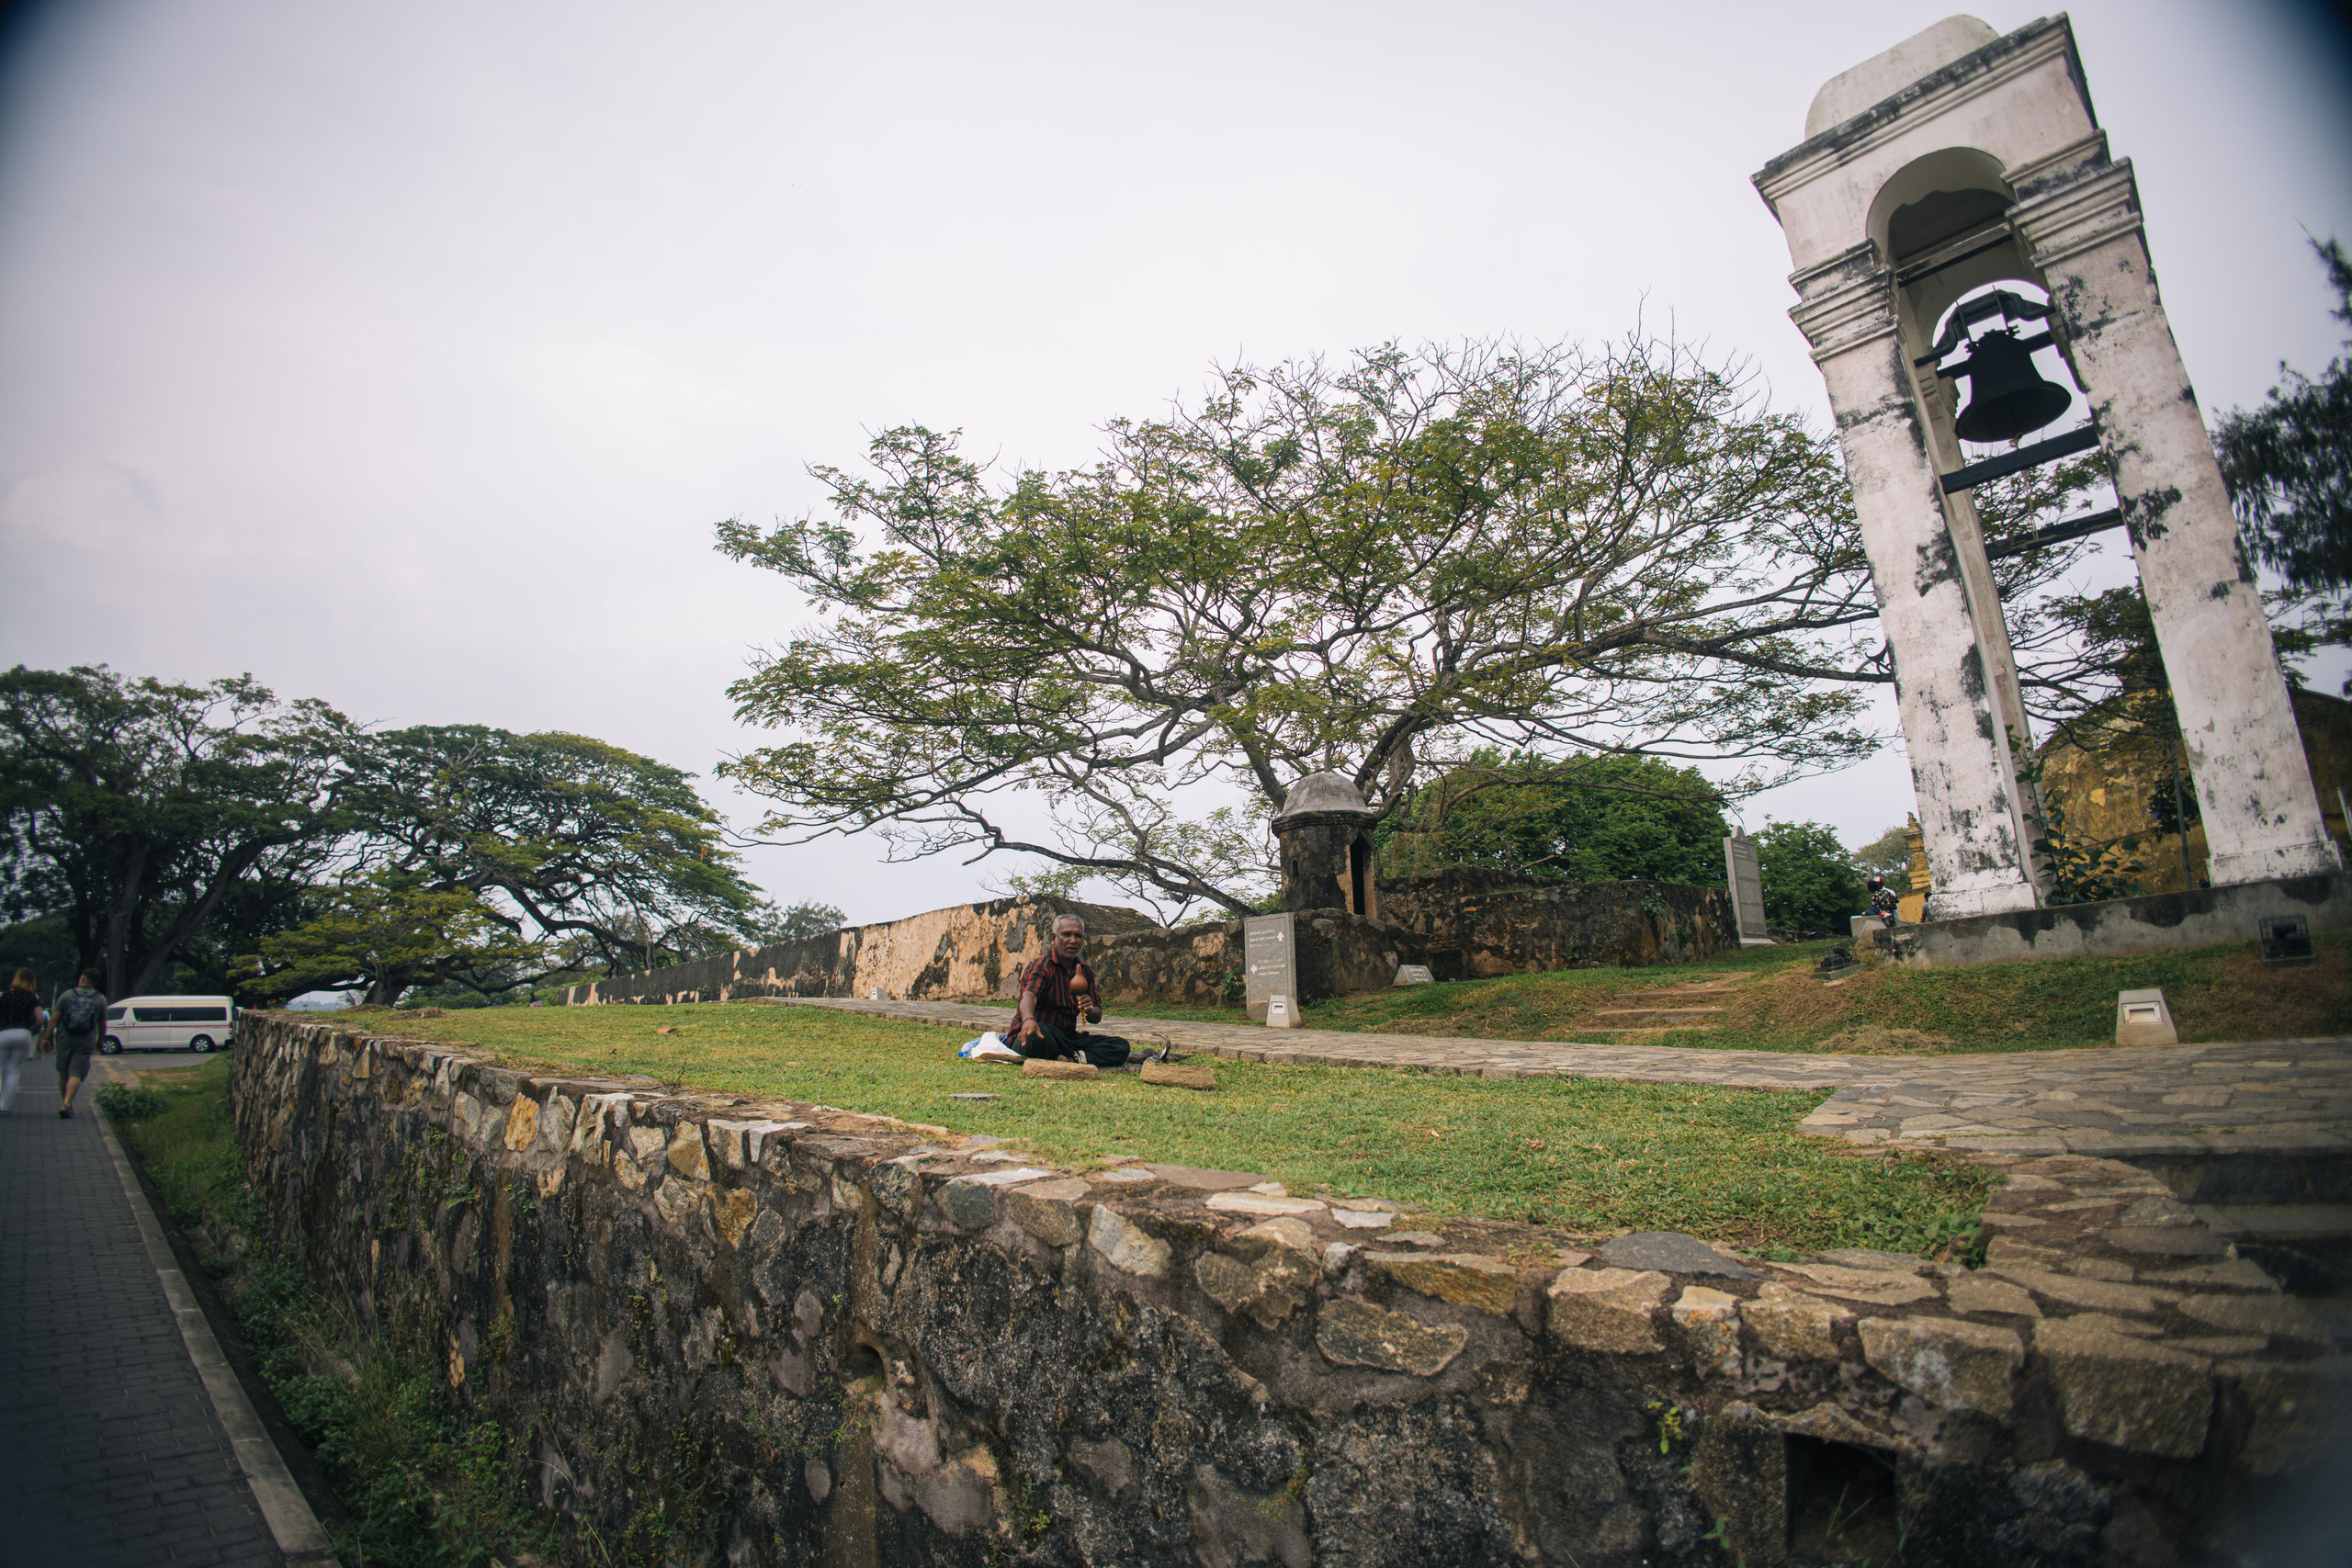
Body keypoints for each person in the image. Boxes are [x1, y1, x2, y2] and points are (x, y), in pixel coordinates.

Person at [1007, 914, 1130, 1069]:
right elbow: (1028, 996)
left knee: (1120, 1046)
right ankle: (1073, 1057)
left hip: (1067, 1039)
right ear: (1053, 938)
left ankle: (1070, 1060)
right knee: (1035, 1036)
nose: (1073, 940)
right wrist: (1028, 1020)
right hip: (1039, 1034)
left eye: (1078, 936)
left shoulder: (1085, 971)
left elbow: (1096, 1016)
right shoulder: (1042, 967)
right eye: (1066, 935)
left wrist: (1090, 1009)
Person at [44, 968, 107, 1119]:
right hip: (86, 1039)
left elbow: (54, 1018)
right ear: (95, 982)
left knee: (64, 1072)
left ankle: (66, 1104)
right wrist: (100, 1041)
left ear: (82, 979)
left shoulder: (67, 995)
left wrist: (46, 1037)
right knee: (76, 1073)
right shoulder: (100, 999)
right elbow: (102, 1023)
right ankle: (67, 1103)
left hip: (65, 1037)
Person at [0, 969, 43, 1113]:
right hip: (23, 1033)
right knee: (14, 1071)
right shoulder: (32, 997)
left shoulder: (4, 996)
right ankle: (4, 1106)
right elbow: (40, 1019)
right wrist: (32, 1028)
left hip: (4, 1033)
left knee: (0, 1070)